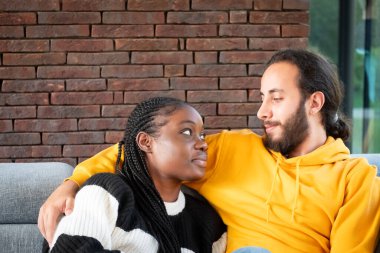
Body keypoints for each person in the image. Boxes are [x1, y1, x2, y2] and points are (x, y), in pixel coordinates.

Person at [39, 49, 380, 252]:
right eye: (262, 98)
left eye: (276, 98)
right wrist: (72, 182)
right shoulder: (233, 148)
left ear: (314, 102)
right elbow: (147, 150)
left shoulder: (355, 178)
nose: (262, 111)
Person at [44, 97, 227, 252]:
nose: (203, 144)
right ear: (146, 142)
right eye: (187, 132)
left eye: (202, 135)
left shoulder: (207, 221)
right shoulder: (107, 193)